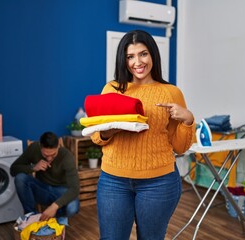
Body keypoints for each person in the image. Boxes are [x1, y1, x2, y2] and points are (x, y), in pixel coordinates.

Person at [91, 30, 195, 240]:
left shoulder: (171, 92)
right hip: (114, 181)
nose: (137, 62)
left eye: (143, 54)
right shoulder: (111, 89)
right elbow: (96, 136)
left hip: (159, 182)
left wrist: (188, 119)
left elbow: (180, 147)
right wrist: (109, 130)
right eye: (130, 56)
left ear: (153, 55)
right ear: (124, 59)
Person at [10, 131, 80, 221]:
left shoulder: (66, 156)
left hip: (60, 192)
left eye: (53, 155)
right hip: (42, 190)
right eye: (45, 155)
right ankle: (31, 217)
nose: (49, 158)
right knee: (20, 178)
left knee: (72, 208)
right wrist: (33, 167)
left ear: (58, 146)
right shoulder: (34, 148)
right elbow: (13, 169)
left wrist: (54, 206)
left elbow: (75, 189)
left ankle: (55, 218)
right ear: (40, 146)